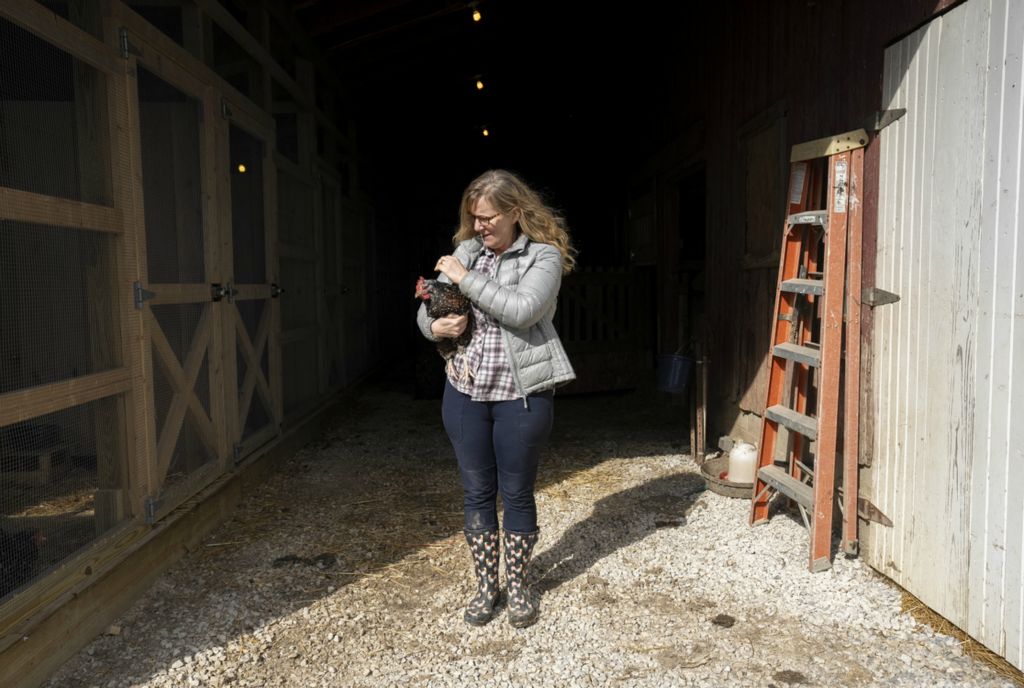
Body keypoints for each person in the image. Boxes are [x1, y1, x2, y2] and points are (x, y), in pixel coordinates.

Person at [417, 169, 576, 628]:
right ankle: (487, 585)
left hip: (519, 397)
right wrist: (434, 327)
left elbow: (523, 311)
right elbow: (428, 307)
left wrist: (465, 279)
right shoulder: (467, 251)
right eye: (474, 219)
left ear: (515, 212)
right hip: (464, 391)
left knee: (517, 493)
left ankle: (520, 584)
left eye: (487, 218)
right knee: (476, 492)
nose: (479, 227)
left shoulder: (543, 257)